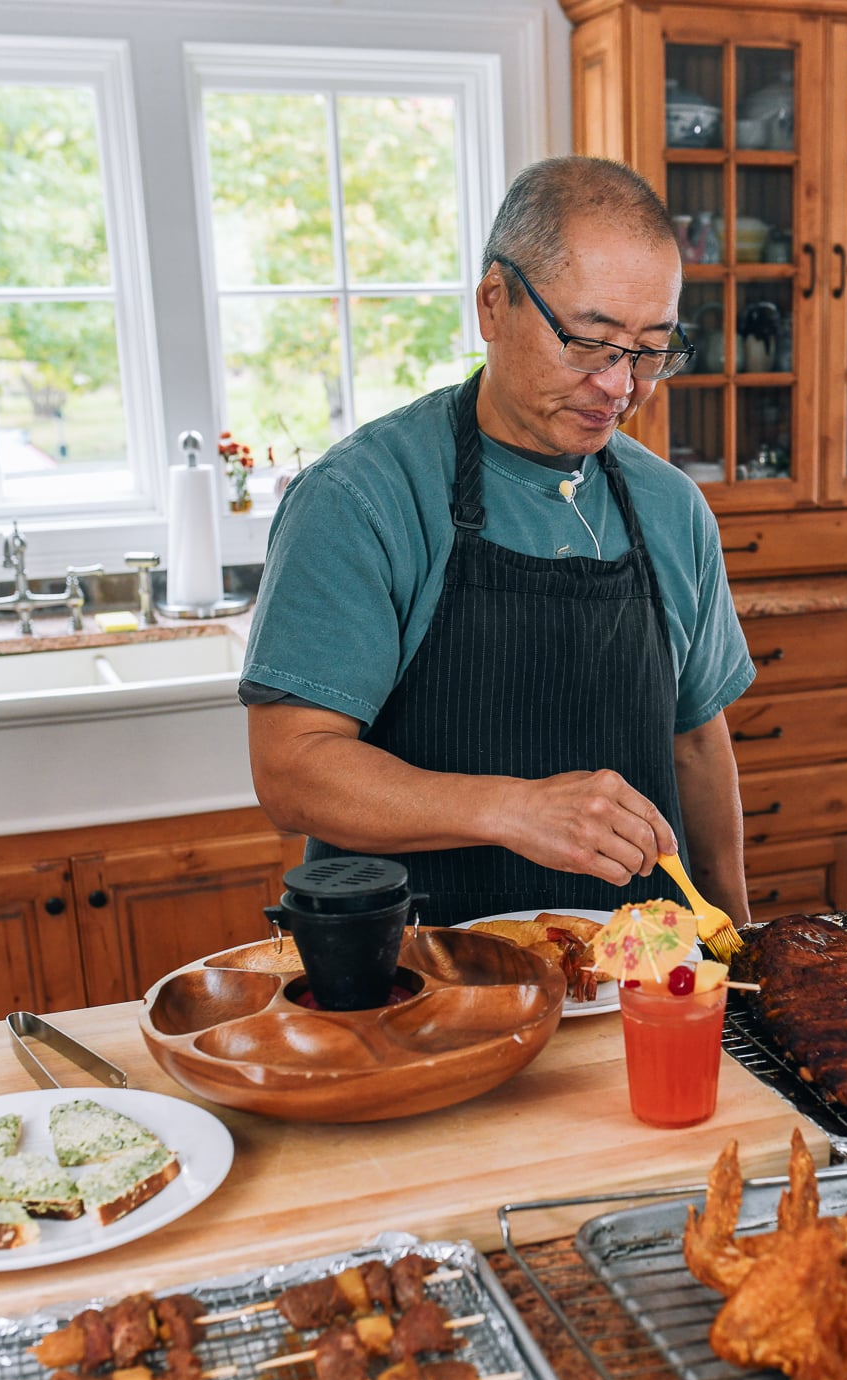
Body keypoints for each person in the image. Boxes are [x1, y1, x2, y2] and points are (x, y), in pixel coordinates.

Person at [240, 154, 755, 927]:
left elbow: (696, 749)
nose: (621, 387)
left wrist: (737, 942)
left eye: (651, 351)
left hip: (640, 991)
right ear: (493, 303)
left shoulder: (671, 507)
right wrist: (514, 810)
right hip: (421, 988)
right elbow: (292, 772)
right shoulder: (361, 498)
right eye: (590, 342)